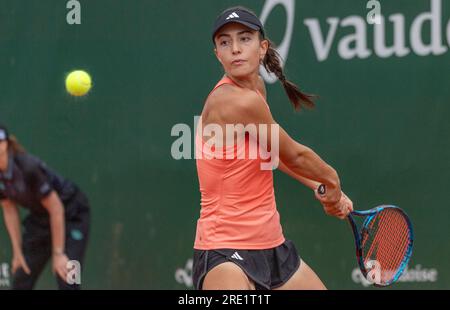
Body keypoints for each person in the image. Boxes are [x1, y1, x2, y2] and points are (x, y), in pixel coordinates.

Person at [192, 6, 353, 290]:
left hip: (272, 246)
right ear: (217, 53)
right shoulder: (233, 101)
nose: (235, 49)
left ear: (262, 47)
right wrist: (332, 180)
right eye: (225, 42)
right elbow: (295, 154)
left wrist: (317, 185)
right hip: (226, 255)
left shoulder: (255, 91)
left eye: (244, 38)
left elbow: (273, 155)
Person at [0, 124, 90, 289]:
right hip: (41, 219)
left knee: (69, 278)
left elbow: (56, 208)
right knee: (21, 277)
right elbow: (9, 209)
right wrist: (17, 252)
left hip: (73, 213)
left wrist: (59, 253)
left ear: (4, 144)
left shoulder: (28, 168)